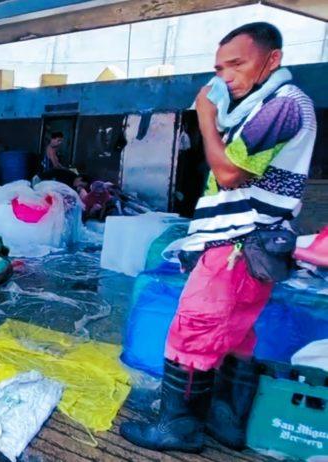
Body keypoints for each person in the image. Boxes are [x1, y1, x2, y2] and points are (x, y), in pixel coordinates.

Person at [121, 22, 316, 453]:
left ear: (272, 60)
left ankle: (178, 427)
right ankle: (224, 422)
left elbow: (228, 174)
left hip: (237, 246)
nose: (225, 76)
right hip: (251, 246)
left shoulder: (282, 106)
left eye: (236, 64)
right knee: (235, 335)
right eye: (218, 67)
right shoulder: (261, 106)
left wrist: (206, 118)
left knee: (191, 332)